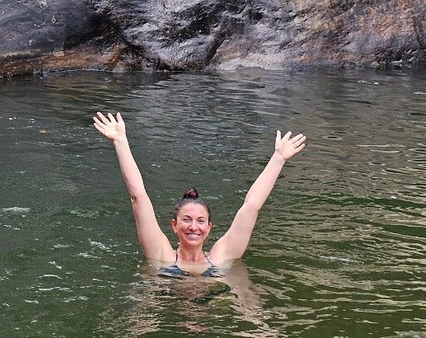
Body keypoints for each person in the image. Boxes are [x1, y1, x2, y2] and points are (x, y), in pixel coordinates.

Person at [93, 111, 306, 276]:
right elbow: (138, 196)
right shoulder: (163, 257)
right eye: (186, 220)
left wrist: (278, 158)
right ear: (174, 226)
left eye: (200, 221)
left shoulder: (222, 257)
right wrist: (120, 141)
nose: (193, 227)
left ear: (209, 228)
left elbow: (251, 206)